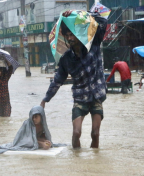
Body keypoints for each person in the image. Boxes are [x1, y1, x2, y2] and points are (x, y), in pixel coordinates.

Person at [40, 10, 107, 149]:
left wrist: (78, 14)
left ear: (78, 34)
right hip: (80, 99)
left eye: (73, 35)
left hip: (96, 97)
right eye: (68, 35)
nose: (70, 38)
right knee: (76, 133)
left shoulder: (93, 44)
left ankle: (95, 161)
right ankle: (76, 160)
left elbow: (103, 22)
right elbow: (57, 81)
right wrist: (45, 99)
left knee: (95, 133)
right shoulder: (66, 59)